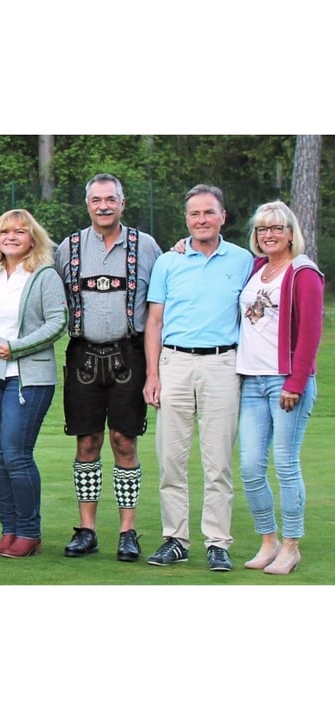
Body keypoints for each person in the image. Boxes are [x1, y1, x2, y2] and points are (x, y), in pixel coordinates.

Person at [143, 184, 254, 571]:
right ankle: (175, 539)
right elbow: (154, 322)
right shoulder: (168, 262)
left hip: (222, 364)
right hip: (174, 363)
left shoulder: (243, 260)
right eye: (194, 213)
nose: (201, 219)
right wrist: (152, 374)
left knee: (217, 462)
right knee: (170, 459)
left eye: (209, 212)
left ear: (223, 217)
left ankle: (217, 542)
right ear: (186, 218)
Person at [55, 174, 162, 562]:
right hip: (82, 354)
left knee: (124, 441)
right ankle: (87, 530)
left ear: (122, 203)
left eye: (110, 199)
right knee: (87, 442)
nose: (104, 206)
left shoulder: (146, 245)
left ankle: (127, 532)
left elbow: (164, 293)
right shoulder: (67, 248)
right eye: (96, 200)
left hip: (129, 354)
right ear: (87, 204)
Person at [0, 209, 67, 558]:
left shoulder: (44, 275)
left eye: (20, 232)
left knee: (16, 454)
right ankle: (8, 530)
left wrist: (14, 347)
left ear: (32, 239)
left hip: (28, 377)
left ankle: (28, 532)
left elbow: (57, 322)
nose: (11, 237)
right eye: (5, 231)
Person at [235, 201, 323, 575]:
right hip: (251, 381)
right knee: (250, 466)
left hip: (285, 382)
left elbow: (311, 332)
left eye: (276, 228)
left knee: (285, 463)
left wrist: (296, 382)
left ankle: (291, 546)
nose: (268, 234)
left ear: (290, 233)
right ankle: (268, 540)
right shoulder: (256, 268)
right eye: (262, 229)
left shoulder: (303, 272)